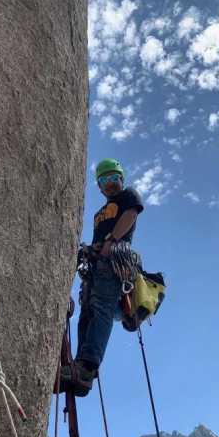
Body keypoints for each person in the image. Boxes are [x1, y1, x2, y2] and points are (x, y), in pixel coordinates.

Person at [61, 158, 144, 396]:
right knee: (86, 313)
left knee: (102, 308)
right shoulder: (100, 212)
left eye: (113, 178)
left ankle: (87, 366)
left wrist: (112, 240)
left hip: (114, 260)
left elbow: (130, 215)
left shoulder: (128, 196)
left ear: (121, 179)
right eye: (104, 180)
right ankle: (79, 367)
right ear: (99, 186)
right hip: (97, 262)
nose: (110, 184)